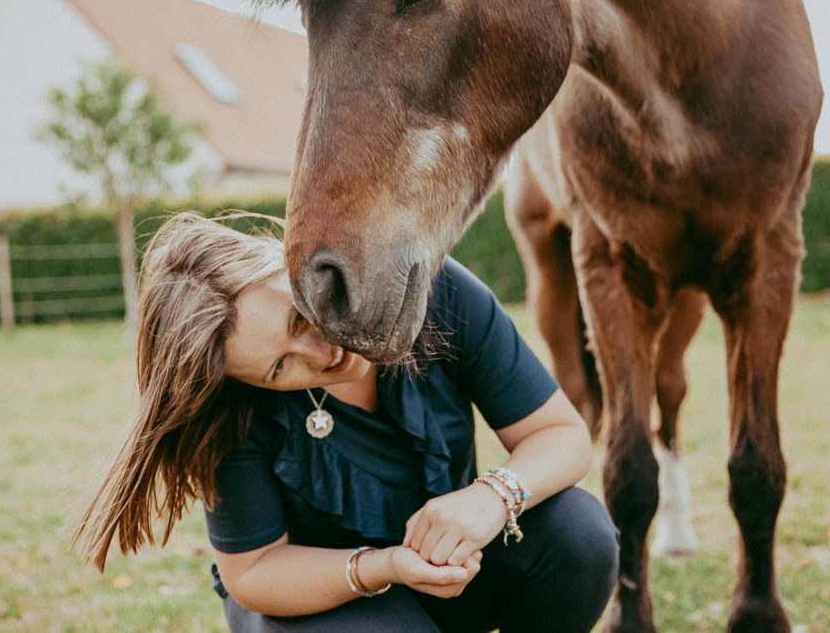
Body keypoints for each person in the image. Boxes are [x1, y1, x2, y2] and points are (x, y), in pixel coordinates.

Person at [76, 212, 618, 632]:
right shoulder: (230, 408)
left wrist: (492, 497)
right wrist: (382, 566)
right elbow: (255, 572)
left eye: (297, 315)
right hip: (313, 604)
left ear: (287, 260)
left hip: (447, 573)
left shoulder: (431, 289)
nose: (318, 352)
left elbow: (562, 437)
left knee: (580, 534)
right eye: (280, 367)